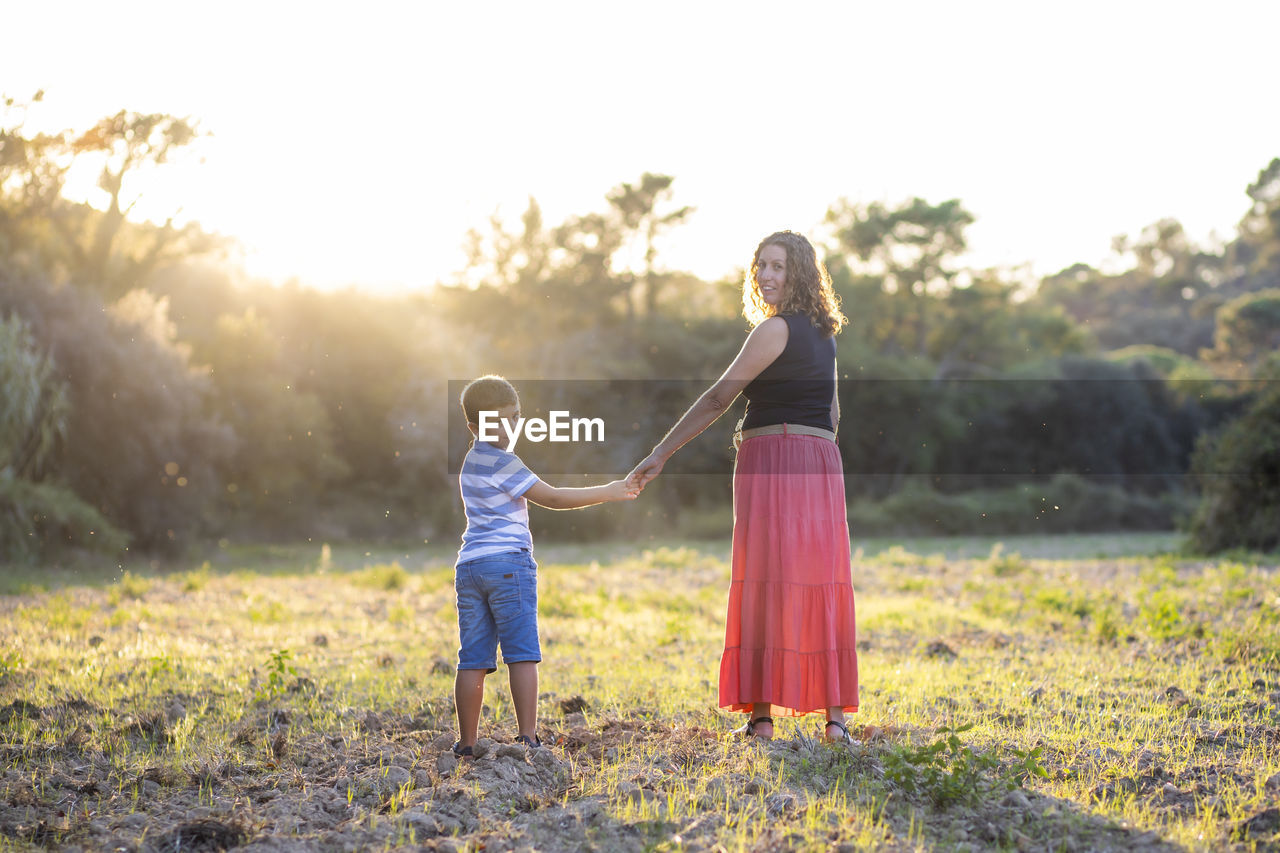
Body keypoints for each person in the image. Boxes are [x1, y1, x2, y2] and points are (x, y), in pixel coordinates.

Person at [629, 231, 859, 743]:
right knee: (820, 580)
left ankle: (760, 720)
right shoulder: (826, 336)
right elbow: (834, 410)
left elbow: (718, 399)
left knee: (766, 579)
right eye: (761, 265)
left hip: (775, 458)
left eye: (778, 266)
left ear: (799, 273)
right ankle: (834, 722)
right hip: (821, 460)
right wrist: (813, 451)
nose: (766, 275)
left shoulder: (773, 330)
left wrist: (661, 453)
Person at [453, 375, 639, 756]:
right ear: (474, 426)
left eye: (515, 416)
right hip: (508, 566)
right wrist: (609, 491)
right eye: (498, 420)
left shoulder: (472, 461)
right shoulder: (504, 462)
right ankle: (527, 738)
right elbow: (551, 498)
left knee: (472, 657)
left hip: (470, 567)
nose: (509, 426)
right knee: (522, 652)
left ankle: (467, 744)